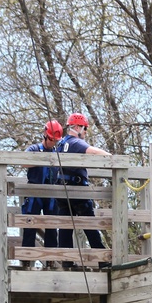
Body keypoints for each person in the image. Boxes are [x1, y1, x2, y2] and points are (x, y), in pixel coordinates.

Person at [55, 112, 109, 268]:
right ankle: (102, 259)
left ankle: (67, 260)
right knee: (89, 224)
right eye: (85, 128)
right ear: (77, 127)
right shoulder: (75, 142)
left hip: (62, 191)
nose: (86, 132)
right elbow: (94, 152)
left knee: (65, 226)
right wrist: (112, 157)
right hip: (77, 190)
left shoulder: (61, 143)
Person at [20, 120, 63, 264]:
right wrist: (42, 160)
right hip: (34, 192)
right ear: (45, 135)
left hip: (51, 194)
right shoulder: (34, 149)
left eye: (55, 140)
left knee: (51, 227)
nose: (53, 142)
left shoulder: (58, 152)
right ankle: (27, 259)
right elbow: (23, 162)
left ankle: (50, 260)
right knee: (30, 225)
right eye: (51, 139)